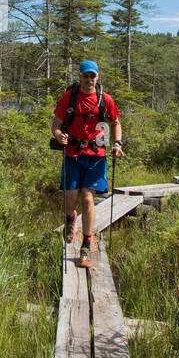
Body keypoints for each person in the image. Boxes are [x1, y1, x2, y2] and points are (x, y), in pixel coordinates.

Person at [50, 60, 123, 266]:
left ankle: (86, 244)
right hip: (72, 153)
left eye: (93, 76)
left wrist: (117, 144)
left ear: (97, 77)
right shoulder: (69, 97)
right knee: (71, 199)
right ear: (80, 76)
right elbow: (56, 124)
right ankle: (70, 219)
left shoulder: (105, 99)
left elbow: (115, 123)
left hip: (96, 155)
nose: (89, 79)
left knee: (88, 199)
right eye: (86, 76)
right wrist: (58, 136)